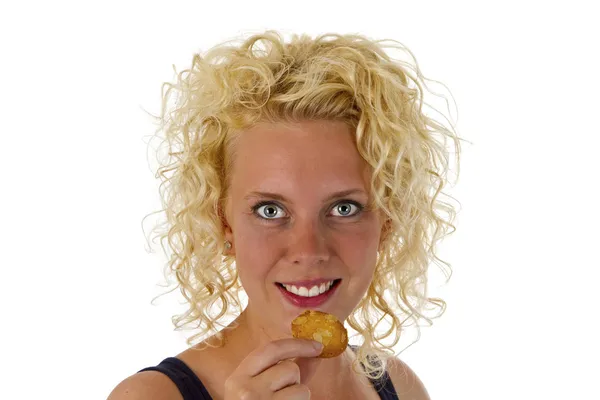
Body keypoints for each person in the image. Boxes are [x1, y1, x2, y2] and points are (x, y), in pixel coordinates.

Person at [108, 30, 462, 400]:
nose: (308, 250)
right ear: (223, 223)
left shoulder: (398, 386)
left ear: (386, 224)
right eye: (270, 210)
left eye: (344, 209)